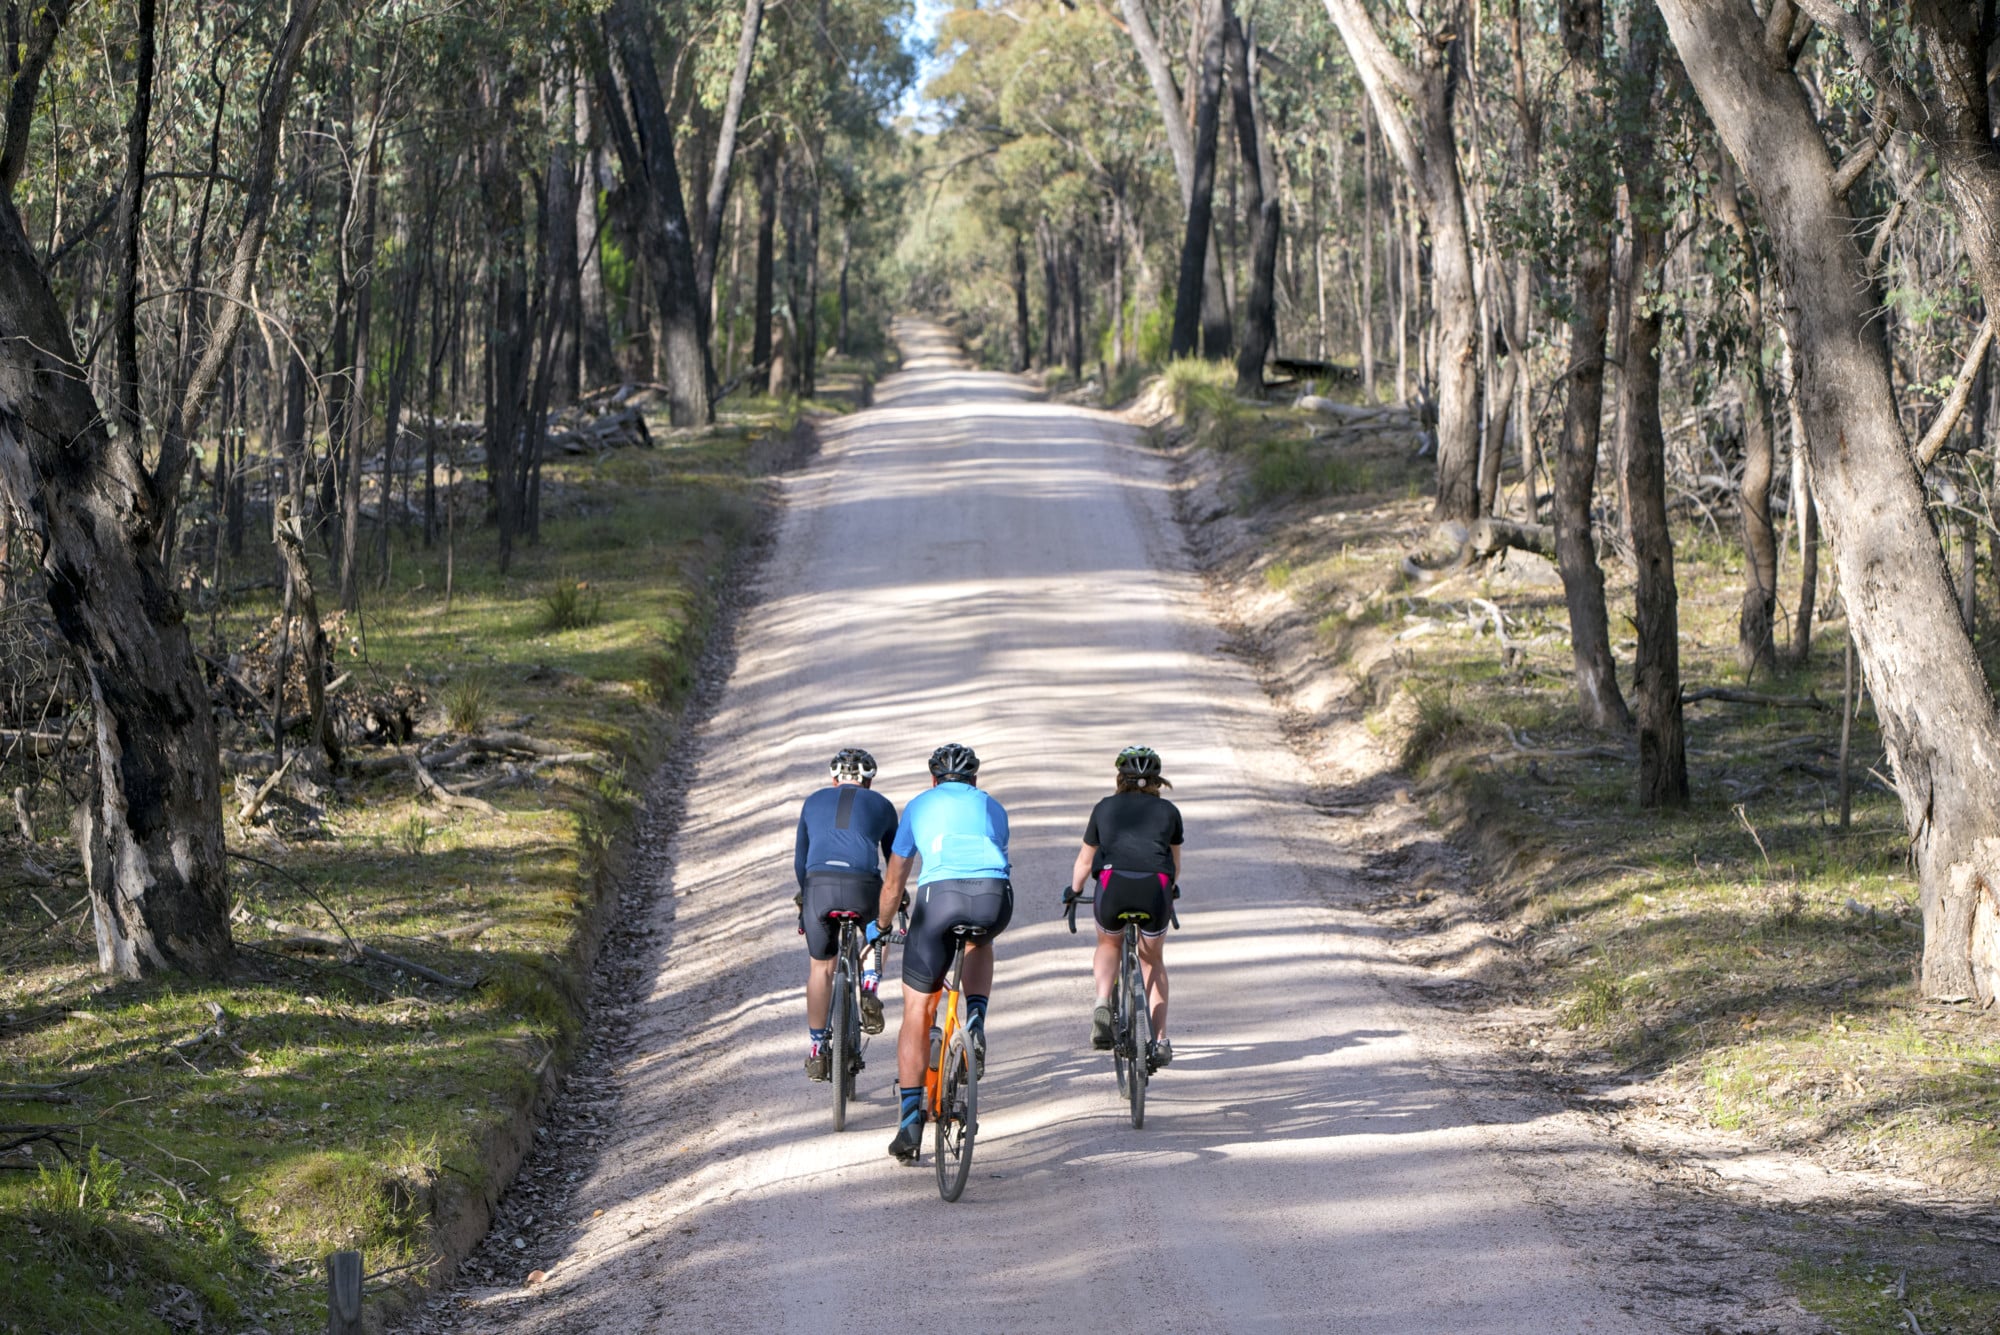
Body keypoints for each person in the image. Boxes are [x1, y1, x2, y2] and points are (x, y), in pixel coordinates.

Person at [868, 742, 1012, 1163]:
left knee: (916, 1012)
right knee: (979, 938)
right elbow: (998, 858)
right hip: (993, 896)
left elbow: (894, 883)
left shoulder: (917, 806)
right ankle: (976, 1020)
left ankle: (910, 1121)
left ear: (934, 780)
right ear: (974, 781)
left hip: (940, 898)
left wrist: (880, 927)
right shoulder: (993, 806)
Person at [1066, 745, 1182, 1070]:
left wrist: (1073, 892)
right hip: (1155, 886)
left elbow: (1085, 861)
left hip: (1113, 884)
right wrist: (1170, 889)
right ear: (1157, 782)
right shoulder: (1169, 812)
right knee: (1152, 961)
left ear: (1120, 778)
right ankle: (1159, 1041)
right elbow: (1173, 863)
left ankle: (1103, 1001)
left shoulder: (1104, 808)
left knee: (1109, 942)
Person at [794, 748, 899, 1082]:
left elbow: (801, 860)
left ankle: (816, 1049)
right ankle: (869, 985)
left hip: (818, 886)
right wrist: (899, 900)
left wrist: (805, 898)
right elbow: (894, 862)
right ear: (868, 781)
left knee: (821, 968)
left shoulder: (812, 801)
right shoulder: (881, 804)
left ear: (833, 779)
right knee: (878, 928)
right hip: (862, 884)